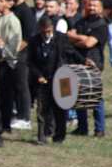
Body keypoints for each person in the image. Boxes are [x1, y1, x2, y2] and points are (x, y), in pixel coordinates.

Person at [28, 16, 86, 144]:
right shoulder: (34, 41)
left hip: (62, 78)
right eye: (43, 31)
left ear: (52, 29)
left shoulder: (61, 38)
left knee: (61, 108)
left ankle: (60, 136)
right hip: (43, 79)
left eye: (48, 31)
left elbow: (72, 52)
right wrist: (38, 75)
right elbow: (30, 62)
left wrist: (84, 61)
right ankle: (42, 135)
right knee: (42, 109)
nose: (46, 34)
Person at [67, 0, 108, 137]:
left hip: (93, 62)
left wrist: (77, 39)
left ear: (101, 9)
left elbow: (89, 43)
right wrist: (82, 38)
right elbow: (69, 37)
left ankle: (99, 129)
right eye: (89, 5)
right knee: (79, 94)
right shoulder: (80, 22)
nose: (91, 8)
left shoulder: (102, 25)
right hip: (78, 61)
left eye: (95, 6)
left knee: (95, 95)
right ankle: (82, 128)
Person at [0, 0, 22, 135]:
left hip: (7, 62)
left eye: (1, 1)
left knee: (6, 95)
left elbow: (14, 44)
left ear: (7, 3)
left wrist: (2, 47)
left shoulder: (13, 20)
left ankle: (5, 124)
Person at [9, 0, 35, 130]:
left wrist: (15, 51)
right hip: (9, 54)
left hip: (22, 55)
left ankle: (25, 118)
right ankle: (14, 113)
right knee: (12, 86)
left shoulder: (26, 11)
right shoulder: (12, 10)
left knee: (22, 85)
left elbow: (28, 37)